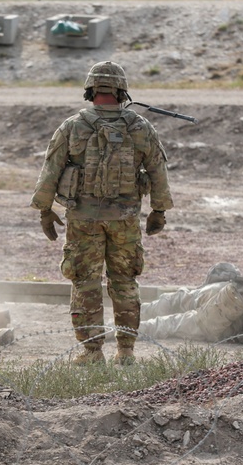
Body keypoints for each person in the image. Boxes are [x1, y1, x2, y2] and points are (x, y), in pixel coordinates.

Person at [30, 61, 173, 366]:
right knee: (124, 282)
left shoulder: (72, 126)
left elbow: (51, 170)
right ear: (122, 90)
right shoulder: (140, 127)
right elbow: (158, 171)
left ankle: (92, 352)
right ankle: (126, 351)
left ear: (90, 89)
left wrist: (45, 210)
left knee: (85, 282)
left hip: (84, 220)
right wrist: (158, 210)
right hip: (125, 219)